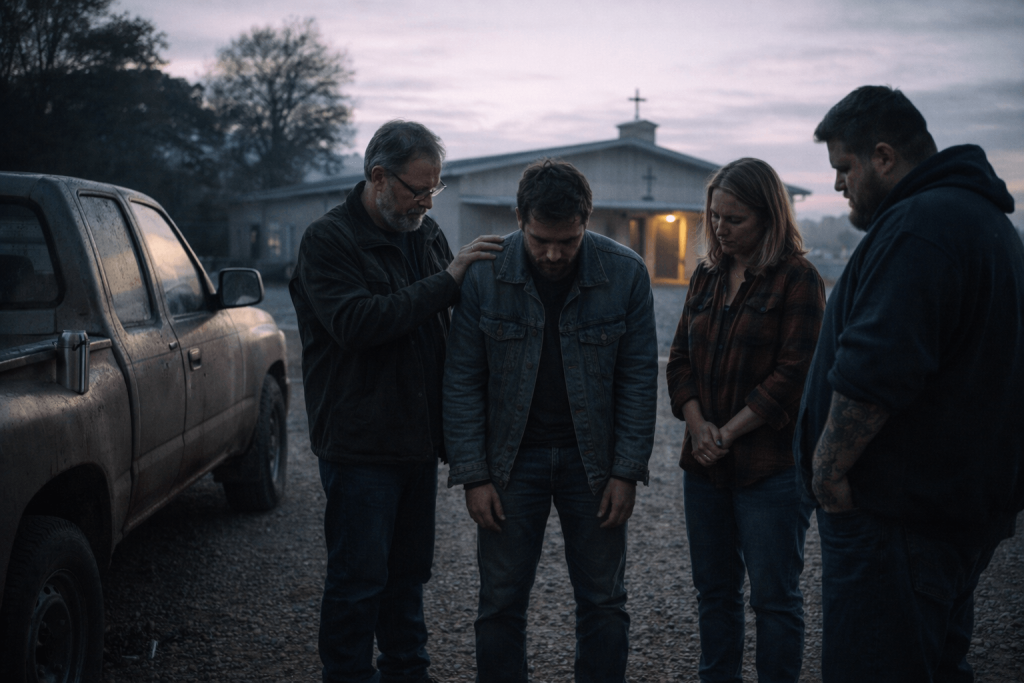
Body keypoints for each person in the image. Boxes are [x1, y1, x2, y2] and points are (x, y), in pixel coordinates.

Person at [794, 85, 1024, 682]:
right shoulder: (983, 224)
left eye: (844, 168)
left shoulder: (922, 227)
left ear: (884, 156)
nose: (839, 185)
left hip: (896, 523)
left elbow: (877, 368)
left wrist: (828, 473)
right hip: (947, 515)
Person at [289, 119, 503, 683]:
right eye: (417, 190)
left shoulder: (423, 232)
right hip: (359, 443)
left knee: (409, 575)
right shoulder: (328, 240)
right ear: (378, 176)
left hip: (414, 440)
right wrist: (450, 278)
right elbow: (356, 323)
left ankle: (408, 672)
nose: (427, 203)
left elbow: (442, 329)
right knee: (359, 581)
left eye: (436, 190)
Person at [442, 159, 658, 683]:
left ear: (587, 219)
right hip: (511, 465)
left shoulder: (625, 273)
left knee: (604, 603)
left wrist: (626, 472)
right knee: (499, 604)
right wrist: (475, 475)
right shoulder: (484, 275)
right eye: (541, 240)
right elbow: (462, 380)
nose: (555, 253)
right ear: (519, 217)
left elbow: (638, 380)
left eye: (569, 239)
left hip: (596, 465)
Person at [666, 157, 825, 683]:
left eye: (735, 219)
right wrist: (697, 426)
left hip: (769, 469)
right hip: (704, 466)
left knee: (775, 598)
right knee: (714, 593)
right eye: (715, 216)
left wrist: (727, 433)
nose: (720, 228)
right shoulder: (707, 276)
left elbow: (793, 373)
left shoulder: (798, 280)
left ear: (770, 216)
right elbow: (680, 361)